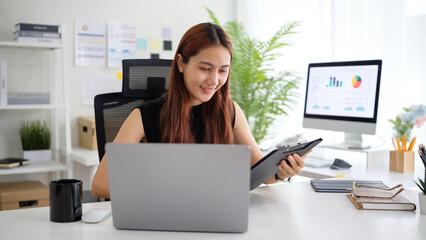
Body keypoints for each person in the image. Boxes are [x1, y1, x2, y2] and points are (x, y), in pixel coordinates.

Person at [91, 22, 309, 198]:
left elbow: (260, 174)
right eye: (205, 68)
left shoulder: (230, 112)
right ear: (181, 64)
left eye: (223, 70)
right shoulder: (143, 116)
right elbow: (100, 185)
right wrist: (170, 193)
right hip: (164, 215)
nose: (214, 81)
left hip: (215, 214)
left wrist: (281, 173)